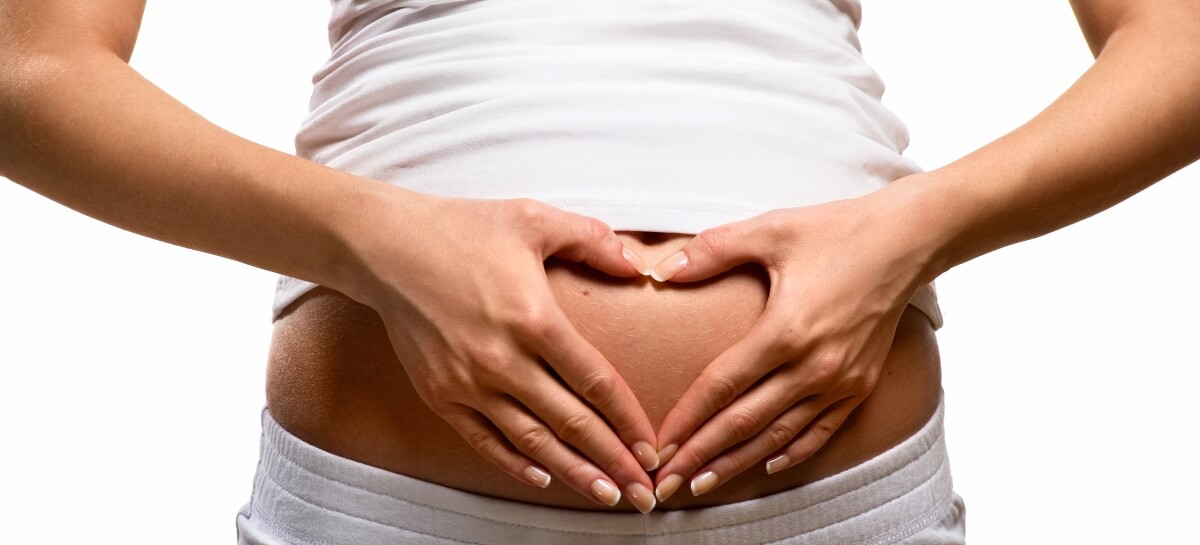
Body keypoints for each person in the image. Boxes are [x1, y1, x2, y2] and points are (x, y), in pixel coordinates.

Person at [2, 0, 1197, 543]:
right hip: (401, 502)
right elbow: (30, 68)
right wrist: (365, 238)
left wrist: (912, 231)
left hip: (829, 503)